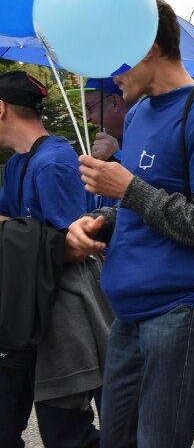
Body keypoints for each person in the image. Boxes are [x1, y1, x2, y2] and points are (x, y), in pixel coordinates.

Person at [64, 0, 194, 448]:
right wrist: (98, 221)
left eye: (114, 52)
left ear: (147, 46)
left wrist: (127, 188)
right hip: (129, 311)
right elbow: (144, 206)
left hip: (183, 309)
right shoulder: (141, 114)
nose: (109, 70)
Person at [0, 71, 100, 448]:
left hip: (62, 316)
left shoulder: (53, 163)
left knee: (67, 436)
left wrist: (21, 235)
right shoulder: (17, 164)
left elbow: (72, 247)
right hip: (25, 312)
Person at [83, 78, 129, 162]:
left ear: (114, 103)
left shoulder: (147, 134)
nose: (87, 118)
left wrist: (117, 155)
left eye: (89, 107)